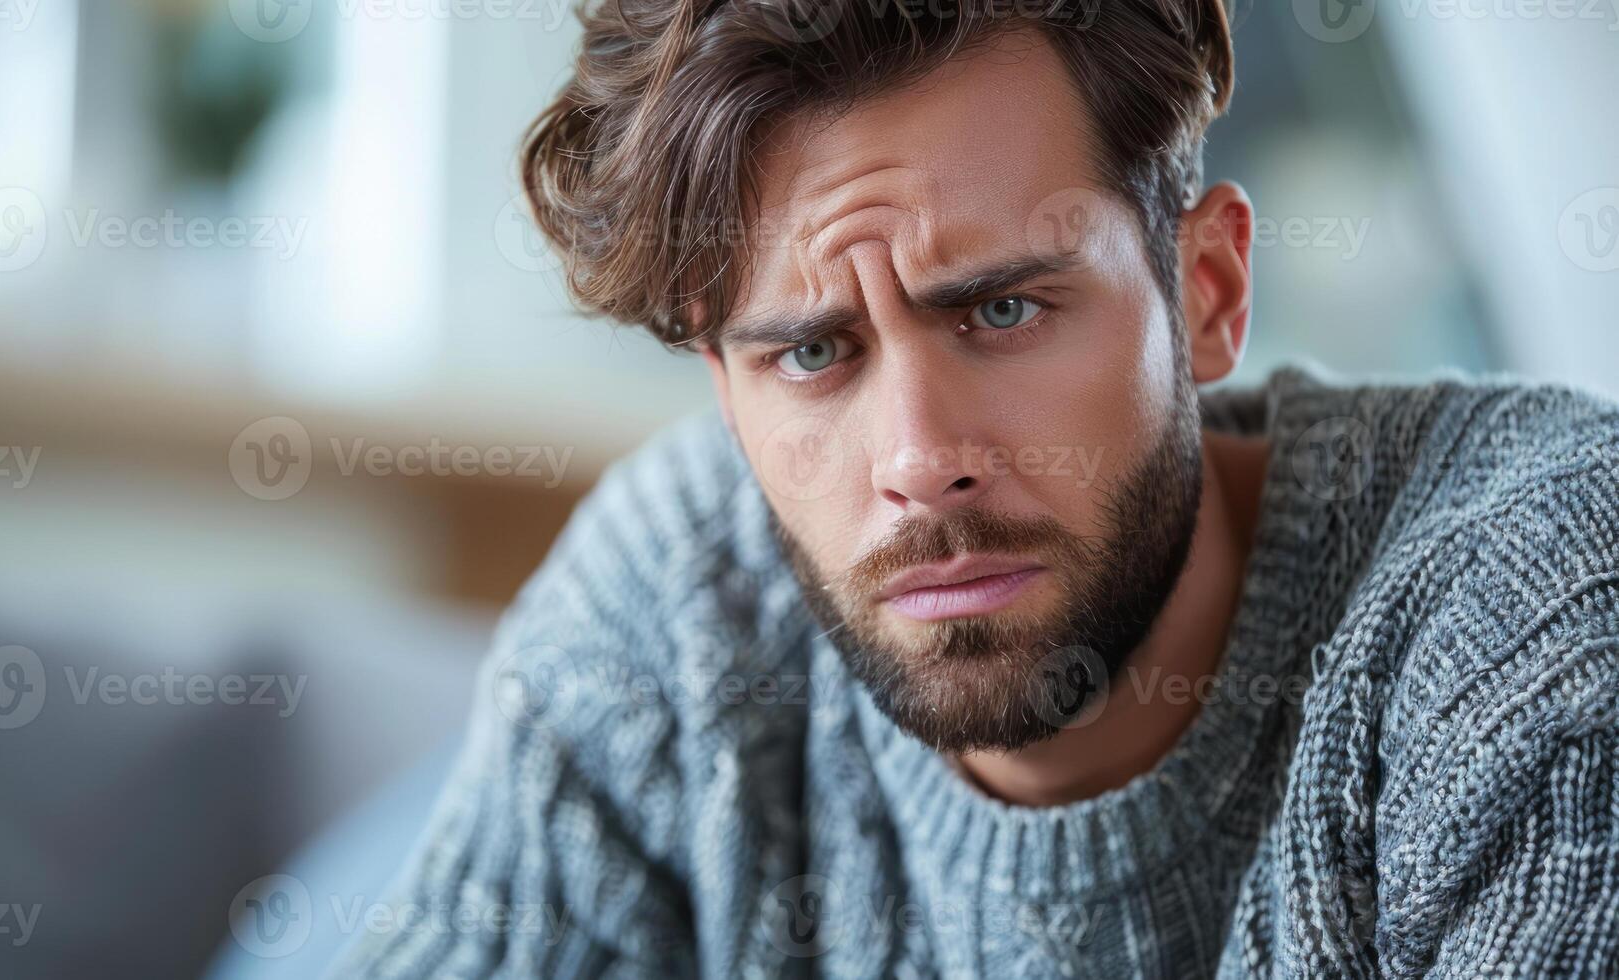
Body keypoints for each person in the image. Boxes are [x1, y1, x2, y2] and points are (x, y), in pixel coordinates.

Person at [340, 1, 1619, 975]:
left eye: (1003, 309)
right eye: (810, 352)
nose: (918, 458)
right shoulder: (674, 607)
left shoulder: (1535, 613)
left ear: (1209, 291)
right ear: (728, 393)